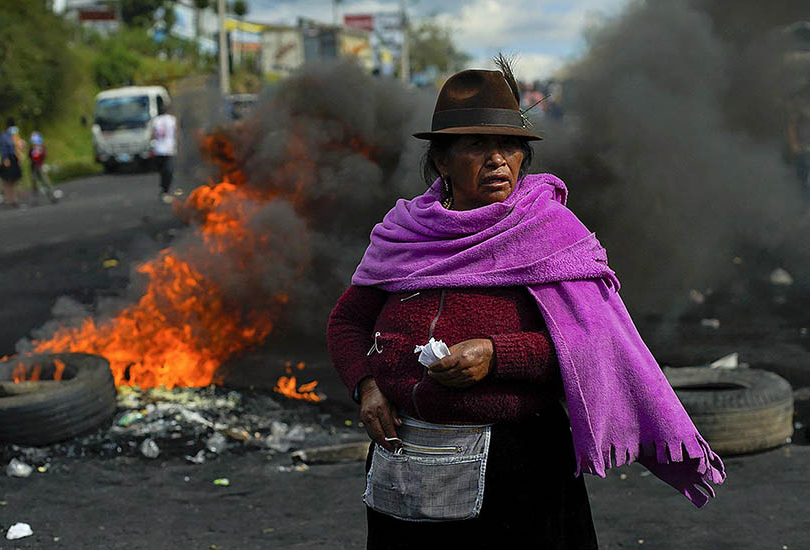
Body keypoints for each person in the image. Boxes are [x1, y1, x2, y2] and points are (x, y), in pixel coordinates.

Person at [326, 56, 725, 549]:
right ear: (442, 161)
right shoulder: (404, 234)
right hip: (405, 464)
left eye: (510, 146)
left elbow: (594, 344)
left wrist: (496, 355)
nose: (498, 159)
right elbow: (347, 321)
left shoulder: (552, 235)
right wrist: (366, 386)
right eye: (477, 145)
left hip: (522, 469)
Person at [151, 100, 178, 204]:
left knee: (163, 172)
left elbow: (152, 134)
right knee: (168, 171)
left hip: (158, 149)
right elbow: (176, 134)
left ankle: (164, 190)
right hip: (168, 149)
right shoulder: (172, 120)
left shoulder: (155, 120)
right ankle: (165, 192)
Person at [787, 81, 810, 195]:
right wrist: (794, 144)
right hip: (803, 148)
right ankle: (804, 206)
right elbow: (792, 125)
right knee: (803, 180)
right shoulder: (801, 103)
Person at [0, 117, 24, 207]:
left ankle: (14, 199)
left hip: (15, 158)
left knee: (15, 179)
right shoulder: (4, 135)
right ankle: (9, 199)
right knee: (9, 180)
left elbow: (18, 147)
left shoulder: (15, 134)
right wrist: (5, 158)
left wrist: (19, 157)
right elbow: (3, 147)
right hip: (9, 158)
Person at [28, 131, 57, 203]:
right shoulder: (32, 148)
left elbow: (43, 156)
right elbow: (30, 156)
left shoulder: (41, 148)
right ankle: (36, 199)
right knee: (35, 183)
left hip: (39, 166)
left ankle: (51, 196)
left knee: (45, 181)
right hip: (34, 167)